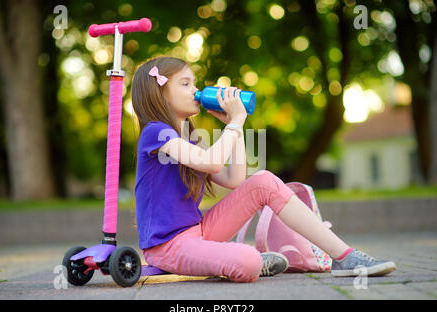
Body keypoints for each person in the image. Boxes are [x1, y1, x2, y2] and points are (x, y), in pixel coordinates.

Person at [131, 56, 396, 283]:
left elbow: (234, 179)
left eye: (195, 83)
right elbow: (212, 163)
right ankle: (243, 260)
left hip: (198, 231)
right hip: (167, 245)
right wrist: (236, 121)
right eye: (186, 84)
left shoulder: (189, 137)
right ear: (159, 91)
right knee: (247, 261)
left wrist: (232, 126)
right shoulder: (156, 132)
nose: (195, 90)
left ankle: (344, 256)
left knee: (263, 181)